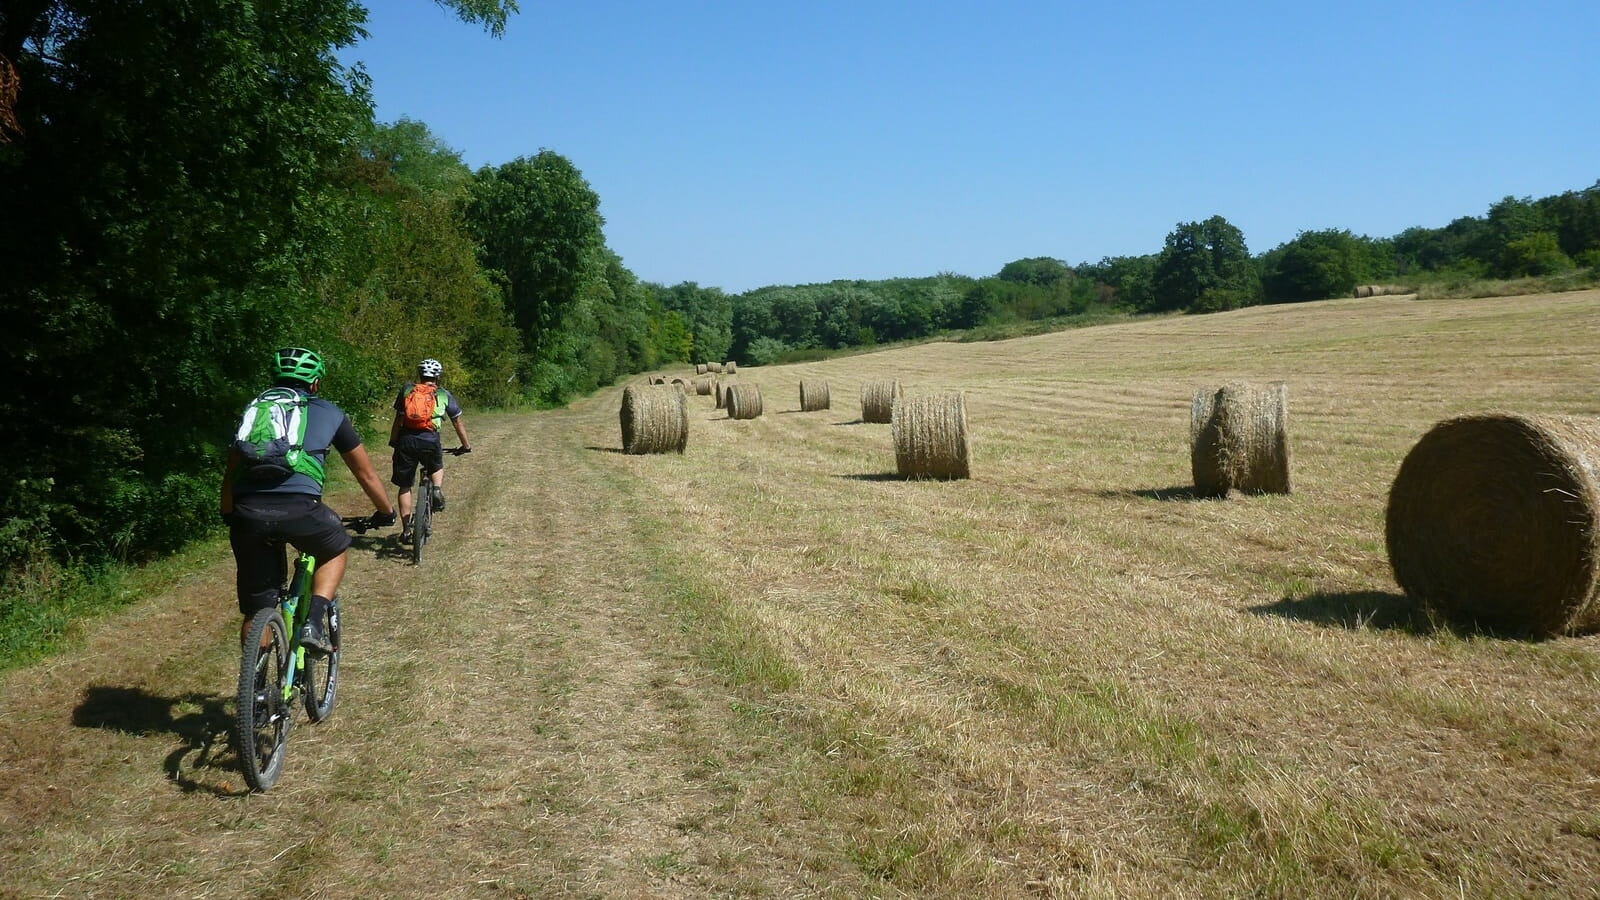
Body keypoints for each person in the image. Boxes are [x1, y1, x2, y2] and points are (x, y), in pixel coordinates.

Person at [220, 347, 396, 652]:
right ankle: (314, 621)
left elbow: (231, 471)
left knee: (255, 610)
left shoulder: (255, 410)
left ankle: (255, 687)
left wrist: (229, 513)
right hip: (301, 508)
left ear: (275, 378)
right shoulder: (330, 413)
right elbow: (365, 474)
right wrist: (386, 511)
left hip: (247, 512)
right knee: (335, 548)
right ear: (314, 383)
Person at [390, 358, 470, 542]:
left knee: (405, 486)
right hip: (430, 439)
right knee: (436, 466)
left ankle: (406, 531)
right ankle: (436, 489)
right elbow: (457, 421)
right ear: (437, 377)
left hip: (406, 440)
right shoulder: (442, 394)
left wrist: (394, 439)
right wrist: (465, 446)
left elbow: (399, 418)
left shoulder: (407, 390)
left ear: (419, 375)